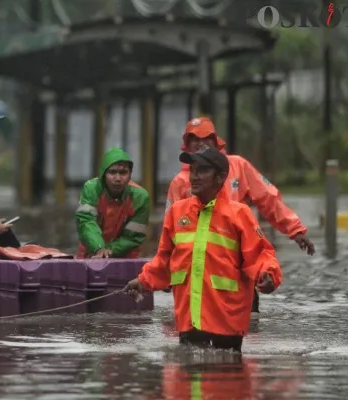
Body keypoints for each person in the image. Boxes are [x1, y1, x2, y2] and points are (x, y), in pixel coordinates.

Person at [124, 146, 283, 353]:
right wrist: (143, 281)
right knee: (188, 379)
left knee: (226, 380)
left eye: (202, 171)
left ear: (221, 177)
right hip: (188, 321)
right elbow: (164, 260)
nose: (194, 177)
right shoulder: (177, 213)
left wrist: (268, 275)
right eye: (192, 170)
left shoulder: (240, 215)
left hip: (227, 323)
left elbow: (262, 254)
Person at [167, 116, 314, 255]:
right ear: (187, 146)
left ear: (215, 142)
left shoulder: (238, 166)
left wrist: (295, 230)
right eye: (194, 139)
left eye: (206, 137)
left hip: (238, 248)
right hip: (199, 256)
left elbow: (268, 198)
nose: (200, 143)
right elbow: (170, 229)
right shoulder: (179, 182)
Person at [76, 148, 150, 259]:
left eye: (123, 173)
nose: (117, 178)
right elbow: (86, 222)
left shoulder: (140, 197)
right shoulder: (91, 189)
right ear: (103, 174)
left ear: (130, 175)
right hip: (91, 252)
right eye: (112, 172)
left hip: (125, 257)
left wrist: (108, 251)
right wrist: (98, 247)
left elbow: (134, 237)